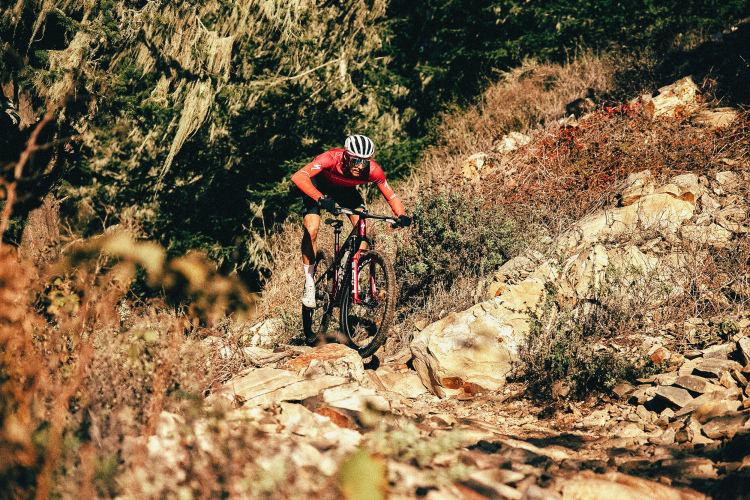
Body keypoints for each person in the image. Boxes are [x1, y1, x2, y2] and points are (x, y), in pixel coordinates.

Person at [291, 134, 411, 308]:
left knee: (362, 226)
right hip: (318, 186)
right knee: (312, 228)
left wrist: (401, 215)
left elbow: (391, 196)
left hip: (346, 190)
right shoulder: (330, 158)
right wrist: (319, 198)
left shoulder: (373, 170)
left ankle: (353, 273)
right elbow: (299, 176)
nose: (360, 166)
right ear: (346, 156)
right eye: (355, 161)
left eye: (365, 161)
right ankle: (309, 284)